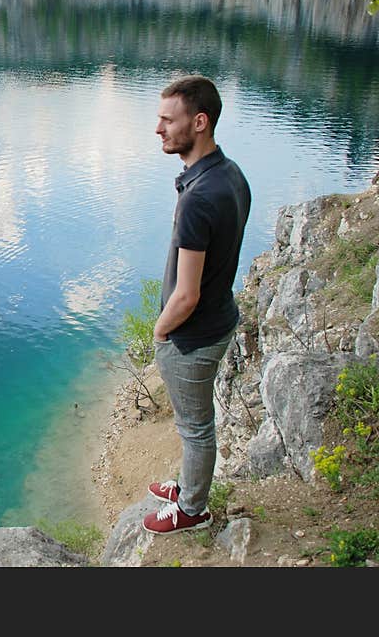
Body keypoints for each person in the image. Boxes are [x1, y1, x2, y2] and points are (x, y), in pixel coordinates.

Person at [142, 75, 251, 534]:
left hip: (193, 337)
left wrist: (161, 330)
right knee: (194, 425)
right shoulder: (229, 174)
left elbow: (186, 295)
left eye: (169, 120)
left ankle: (193, 510)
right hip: (218, 318)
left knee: (196, 428)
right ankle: (189, 484)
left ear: (199, 122)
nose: (159, 129)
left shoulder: (198, 198)